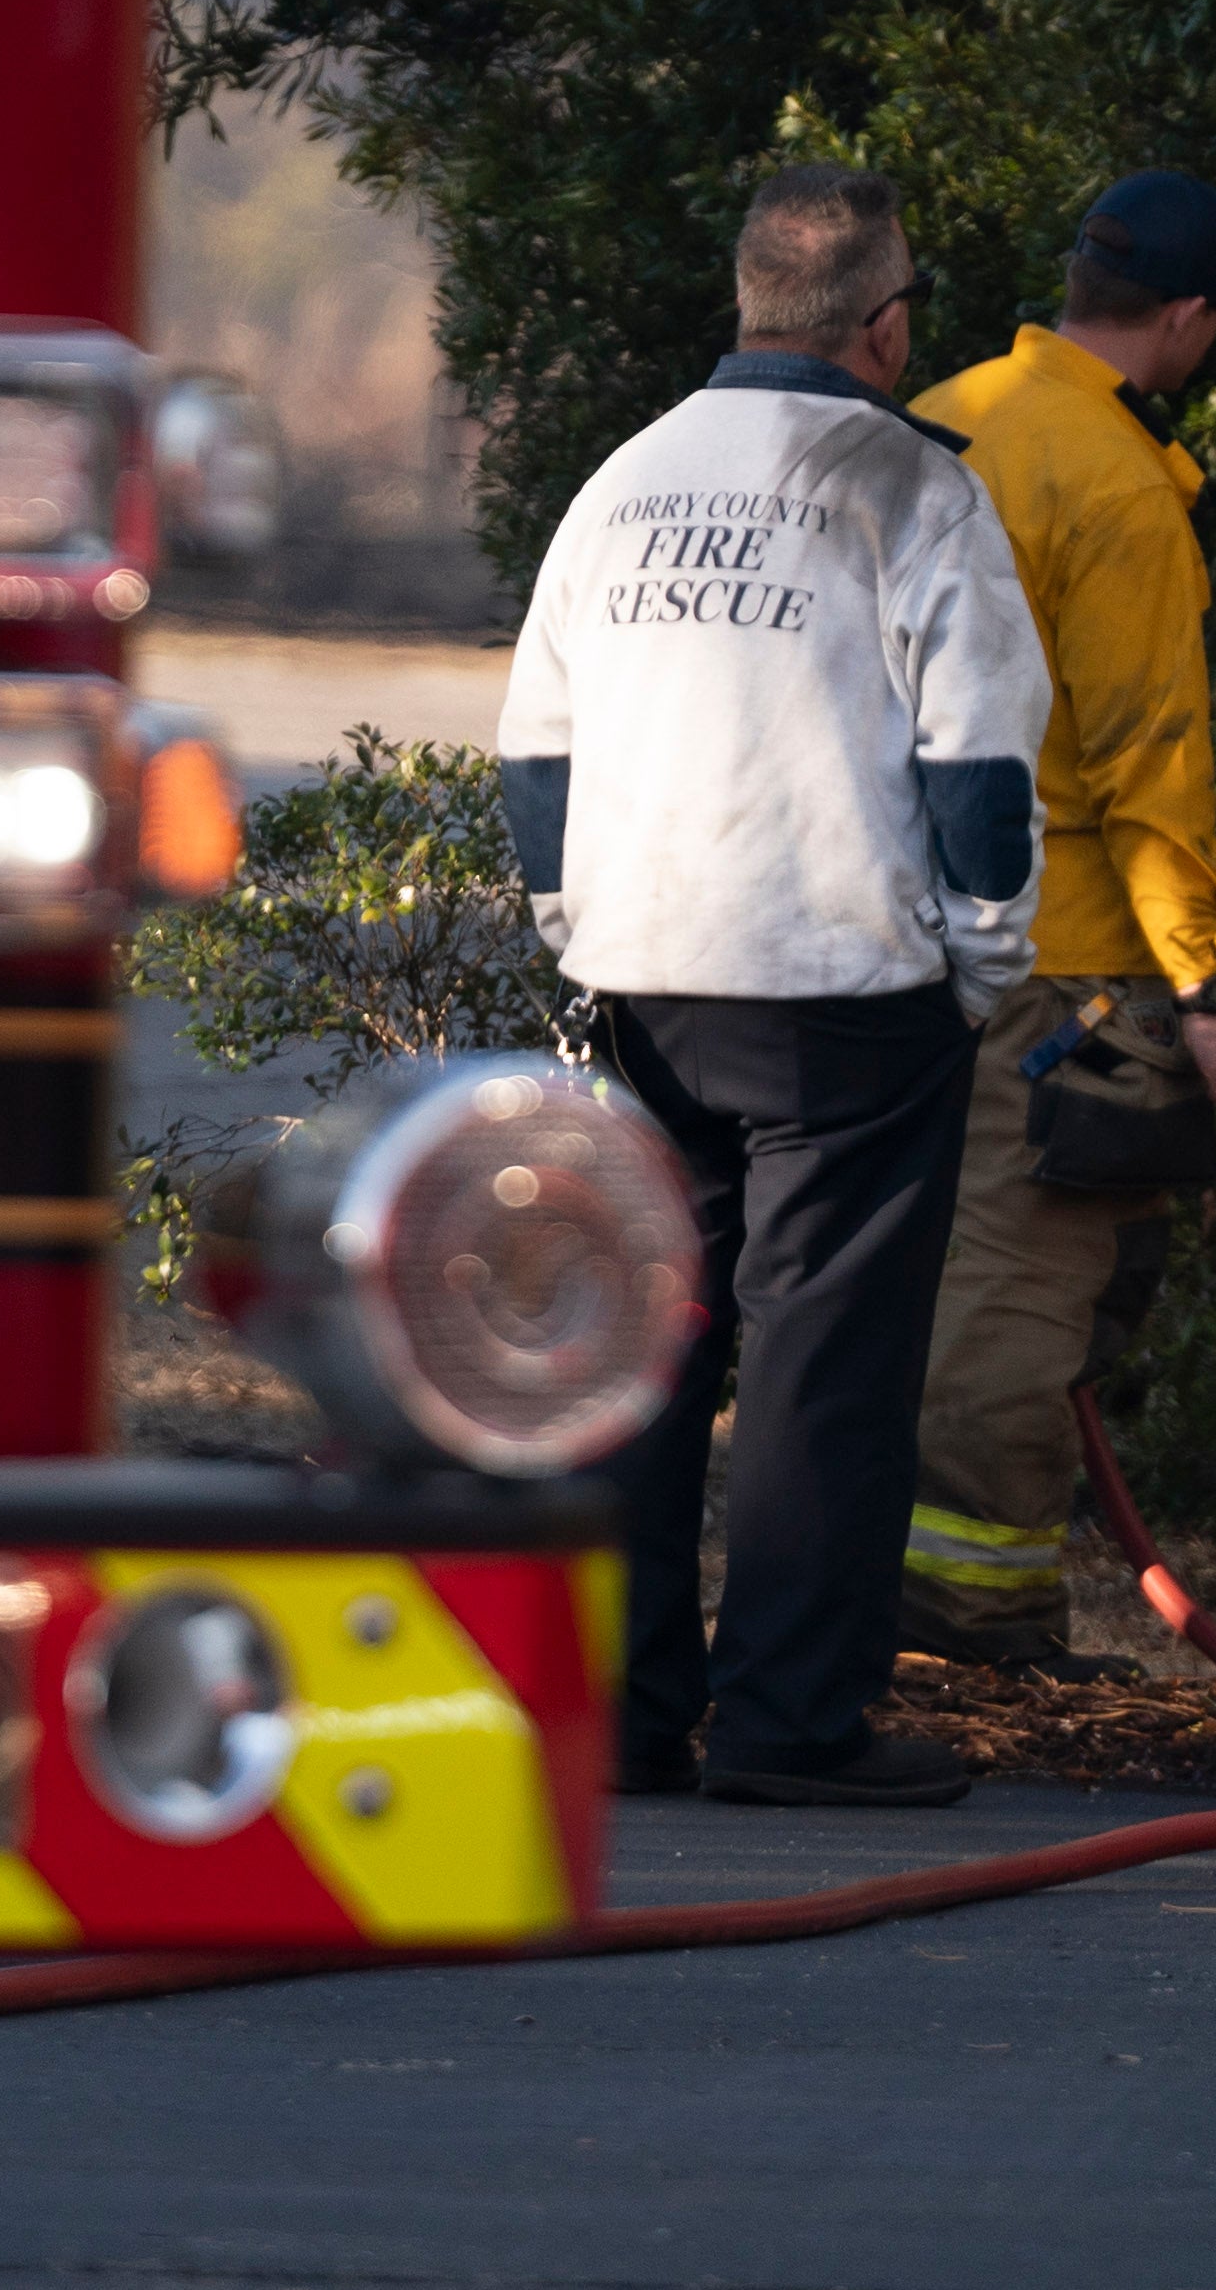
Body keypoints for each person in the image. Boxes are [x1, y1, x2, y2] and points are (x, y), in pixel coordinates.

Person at [500, 164, 1046, 1808]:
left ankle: (619, 1708)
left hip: (642, 986)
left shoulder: (623, 482)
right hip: (843, 991)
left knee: (650, 1346)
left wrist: (571, 926)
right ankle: (793, 1721)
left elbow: (535, 751)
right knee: (822, 1361)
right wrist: (983, 964)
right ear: (885, 328)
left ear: (747, 305)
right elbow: (975, 772)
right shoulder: (910, 493)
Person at [894, 171, 1216, 1675]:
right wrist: (1206, 983)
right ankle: (971, 1617)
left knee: (921, 1273)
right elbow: (1146, 766)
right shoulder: (1114, 488)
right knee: (1019, 1290)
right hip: (1061, 962)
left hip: (895, 938)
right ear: (1183, 319)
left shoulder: (938, 413)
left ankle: (899, 1589)